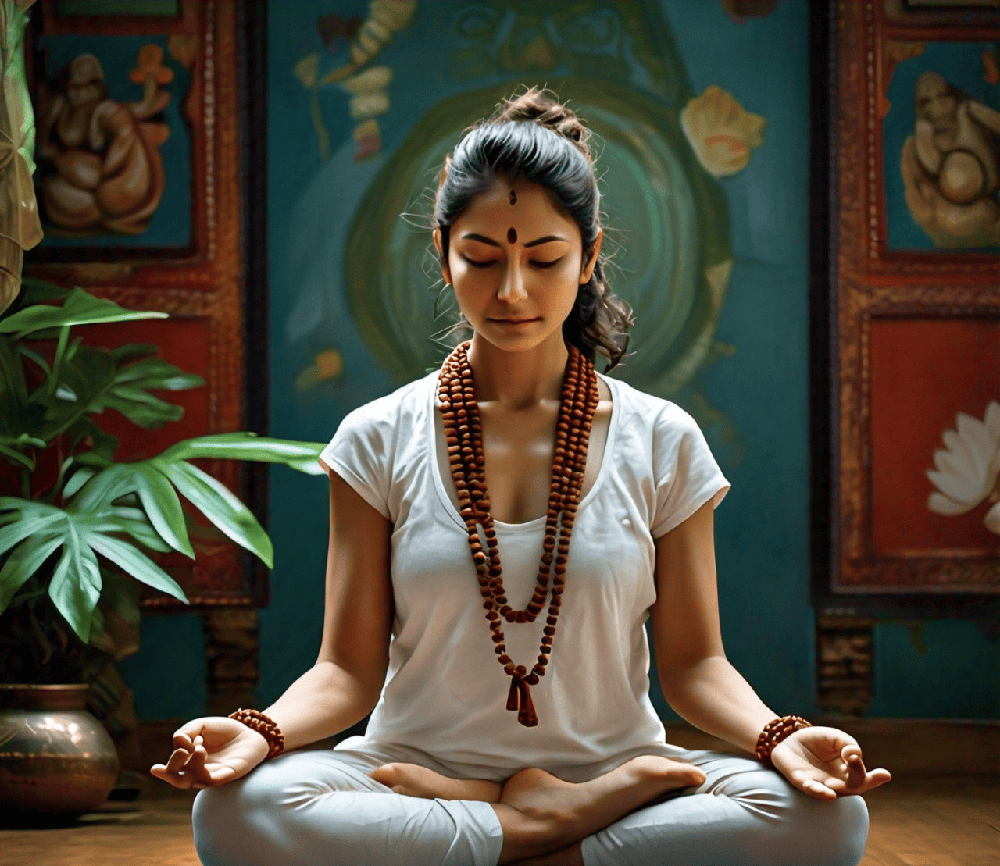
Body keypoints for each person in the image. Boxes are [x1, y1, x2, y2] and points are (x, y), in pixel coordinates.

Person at [152, 88, 890, 866]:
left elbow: (696, 666)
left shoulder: (661, 439)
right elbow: (346, 670)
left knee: (826, 822)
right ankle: (549, 829)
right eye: (481, 258)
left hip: (614, 765)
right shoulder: (377, 437)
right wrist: (259, 728)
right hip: (410, 775)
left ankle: (499, 831)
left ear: (590, 256)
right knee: (237, 812)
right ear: (441, 253)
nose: (512, 291)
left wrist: (785, 738)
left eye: (543, 260)